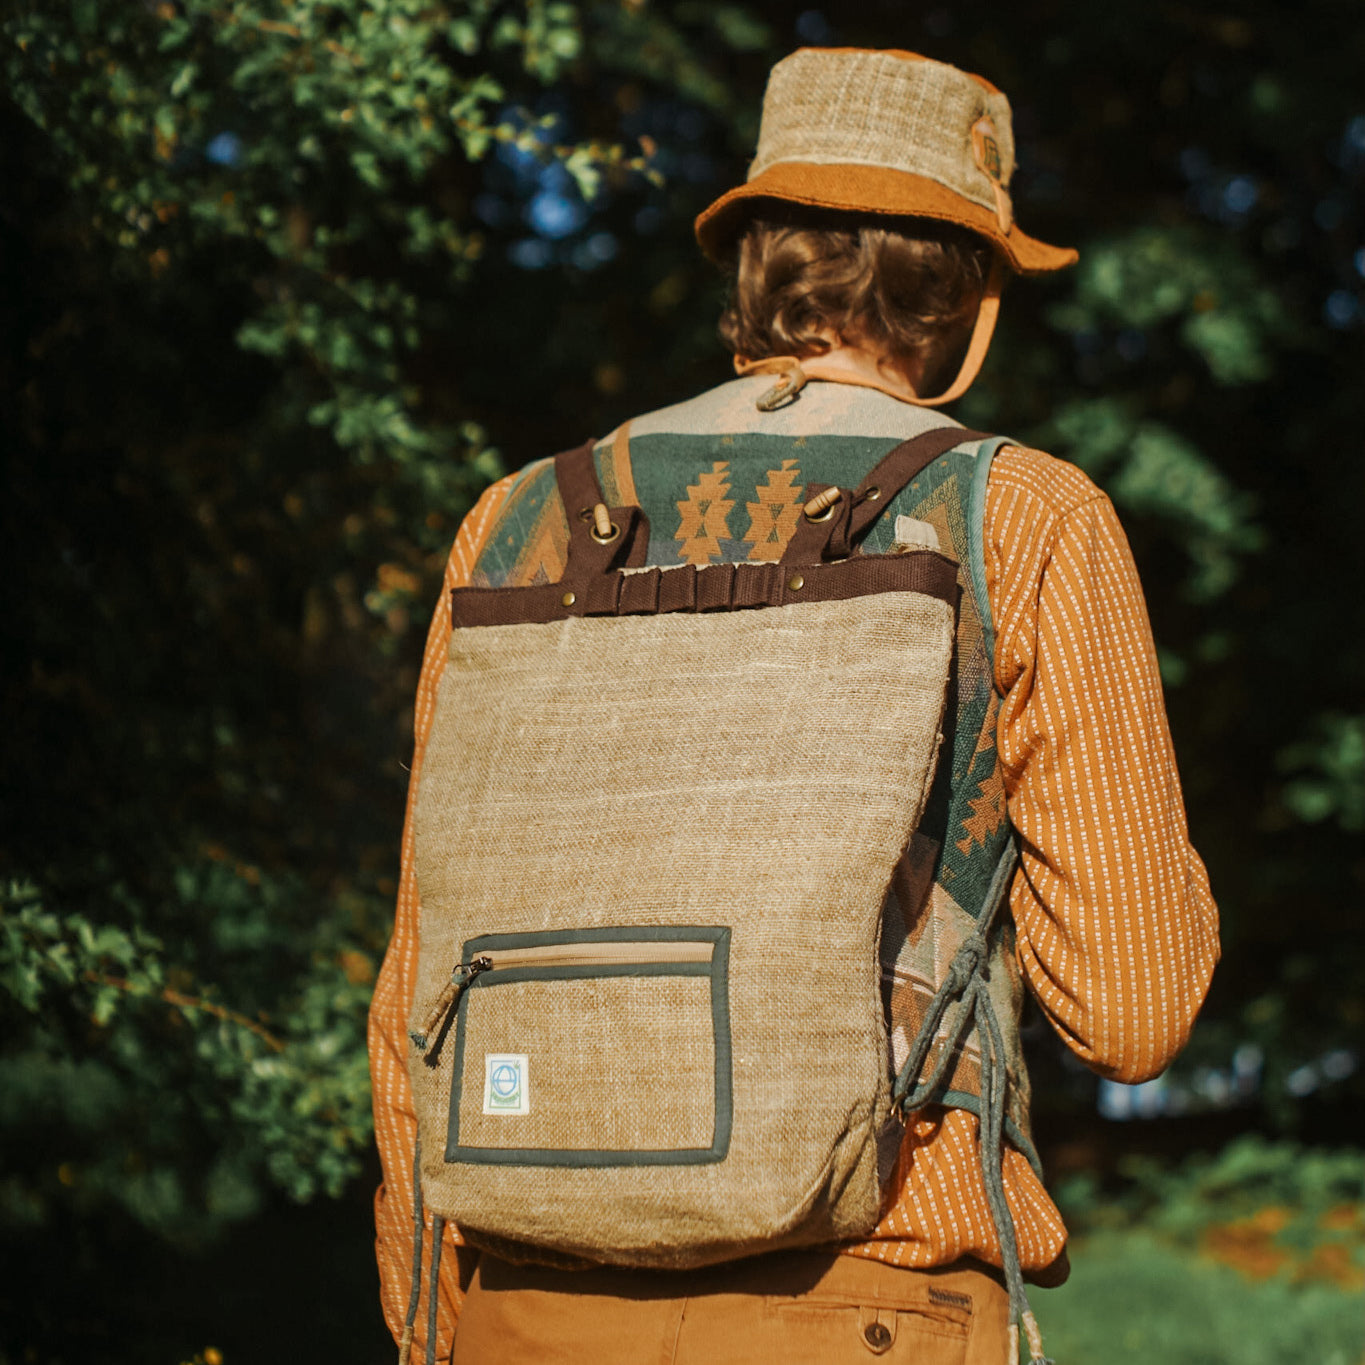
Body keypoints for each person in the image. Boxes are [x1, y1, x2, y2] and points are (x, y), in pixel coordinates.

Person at [368, 47, 1220, 1364]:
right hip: (865, 1300)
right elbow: (1130, 1007)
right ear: (967, 293)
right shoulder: (1022, 516)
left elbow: (417, 970)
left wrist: (430, 1319)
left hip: (519, 1300)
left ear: (754, 258)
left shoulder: (518, 521)